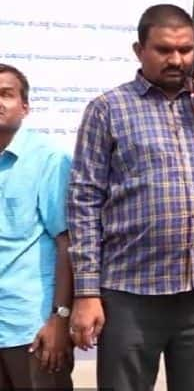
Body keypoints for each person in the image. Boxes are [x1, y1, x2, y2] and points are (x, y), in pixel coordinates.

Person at [68, 4, 194, 391]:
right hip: (130, 292)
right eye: (164, 49)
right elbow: (83, 203)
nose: (177, 59)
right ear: (138, 50)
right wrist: (87, 292)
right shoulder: (108, 110)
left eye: (186, 49)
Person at [0, 64, 73, 389]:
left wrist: (59, 319)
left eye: (6, 94)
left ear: (25, 106)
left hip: (30, 327)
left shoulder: (48, 160)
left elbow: (68, 244)